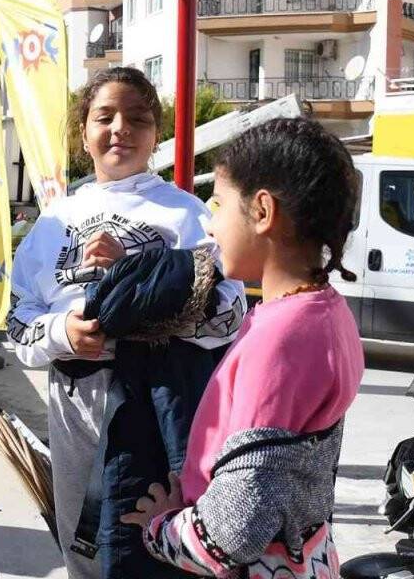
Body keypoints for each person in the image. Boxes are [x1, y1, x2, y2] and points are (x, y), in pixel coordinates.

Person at [6, 66, 245, 579]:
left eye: (137, 118)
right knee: (81, 541)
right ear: (84, 133)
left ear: (156, 133)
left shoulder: (186, 214)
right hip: (73, 400)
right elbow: (18, 318)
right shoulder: (53, 221)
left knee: (148, 542)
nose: (121, 129)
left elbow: (230, 311)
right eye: (105, 117)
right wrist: (63, 333)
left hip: (156, 397)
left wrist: (141, 283)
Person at [120, 118, 365, 579]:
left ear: (263, 212)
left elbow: (234, 531)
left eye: (218, 204)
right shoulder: (327, 313)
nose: (209, 225)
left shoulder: (281, 339)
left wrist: (162, 529)